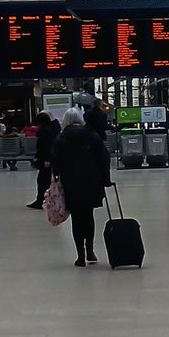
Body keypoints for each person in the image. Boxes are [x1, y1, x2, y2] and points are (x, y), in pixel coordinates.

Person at [51, 107, 111, 266]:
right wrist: (106, 179)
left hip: (71, 181)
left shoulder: (61, 138)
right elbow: (104, 157)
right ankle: (90, 250)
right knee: (88, 215)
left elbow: (55, 159)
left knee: (77, 217)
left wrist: (56, 174)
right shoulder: (91, 134)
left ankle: (80, 255)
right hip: (92, 180)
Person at [29, 109, 62, 208]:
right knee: (47, 180)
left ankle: (41, 200)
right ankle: (44, 199)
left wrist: (47, 159)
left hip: (45, 159)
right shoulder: (53, 128)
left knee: (42, 180)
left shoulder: (45, 132)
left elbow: (46, 147)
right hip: (50, 159)